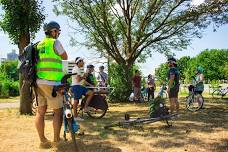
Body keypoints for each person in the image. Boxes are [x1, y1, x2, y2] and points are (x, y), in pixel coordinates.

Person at [35, 21, 68, 148]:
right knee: (58, 111)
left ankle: (43, 141)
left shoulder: (38, 45)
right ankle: (56, 140)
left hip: (38, 83)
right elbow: (65, 56)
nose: (58, 33)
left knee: (40, 111)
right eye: (58, 31)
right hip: (52, 83)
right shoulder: (55, 42)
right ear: (53, 31)